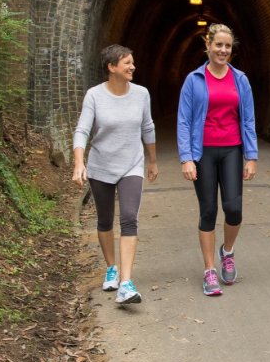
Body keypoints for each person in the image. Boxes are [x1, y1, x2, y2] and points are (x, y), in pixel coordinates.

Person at [72, 44, 158, 305]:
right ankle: (111, 267)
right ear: (111, 67)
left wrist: (152, 161)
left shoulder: (141, 94)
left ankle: (126, 282)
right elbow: (82, 131)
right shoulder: (94, 96)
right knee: (105, 220)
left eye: (133, 62)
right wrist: (79, 163)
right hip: (101, 165)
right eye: (127, 63)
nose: (132, 67)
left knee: (129, 218)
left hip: (131, 164)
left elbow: (148, 126)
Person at [177, 23, 258, 296]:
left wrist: (252, 156)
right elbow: (184, 121)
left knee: (234, 208)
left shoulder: (241, 80)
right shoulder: (194, 79)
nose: (223, 50)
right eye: (218, 45)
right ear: (207, 45)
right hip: (204, 153)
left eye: (227, 46)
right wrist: (186, 158)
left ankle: (228, 251)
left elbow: (247, 119)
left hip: (232, 150)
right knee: (208, 210)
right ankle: (210, 270)